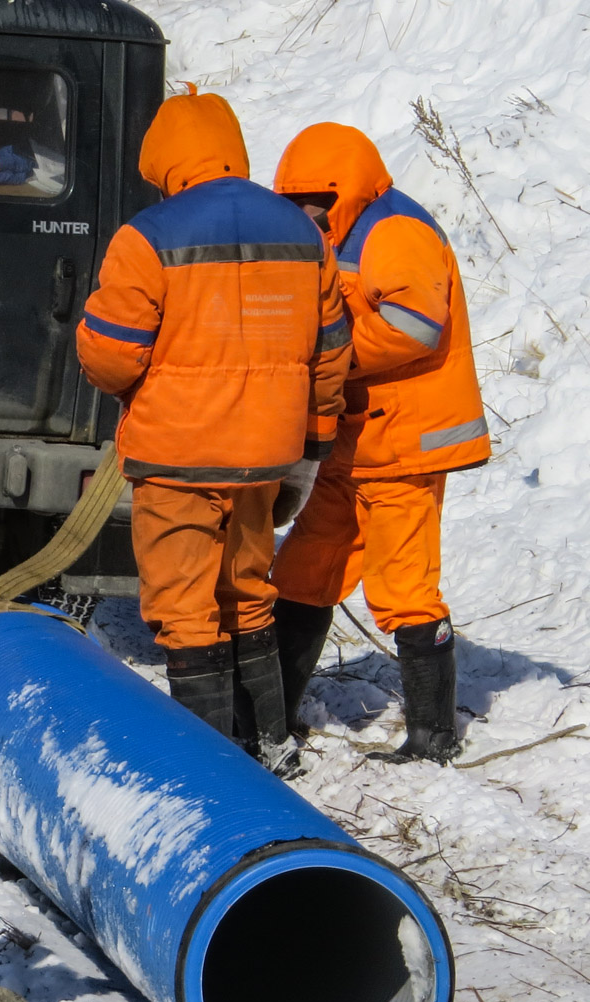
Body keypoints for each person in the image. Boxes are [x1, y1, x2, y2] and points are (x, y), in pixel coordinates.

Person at [75, 90, 351, 775]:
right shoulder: (301, 233)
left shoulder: (148, 236)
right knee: (248, 593)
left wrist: (134, 383)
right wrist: (309, 445)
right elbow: (332, 352)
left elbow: (109, 354)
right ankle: (271, 743)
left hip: (178, 455)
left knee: (186, 610)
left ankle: (207, 765)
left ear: (166, 160)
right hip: (265, 456)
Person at [269, 122, 491, 765]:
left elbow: (414, 326)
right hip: (353, 440)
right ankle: (275, 710)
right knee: (304, 573)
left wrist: (326, 356)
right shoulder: (331, 233)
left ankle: (432, 736)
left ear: (345, 192)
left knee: (402, 589)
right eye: (294, 202)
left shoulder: (397, 231)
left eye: (315, 203)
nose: (305, 215)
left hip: (403, 444)